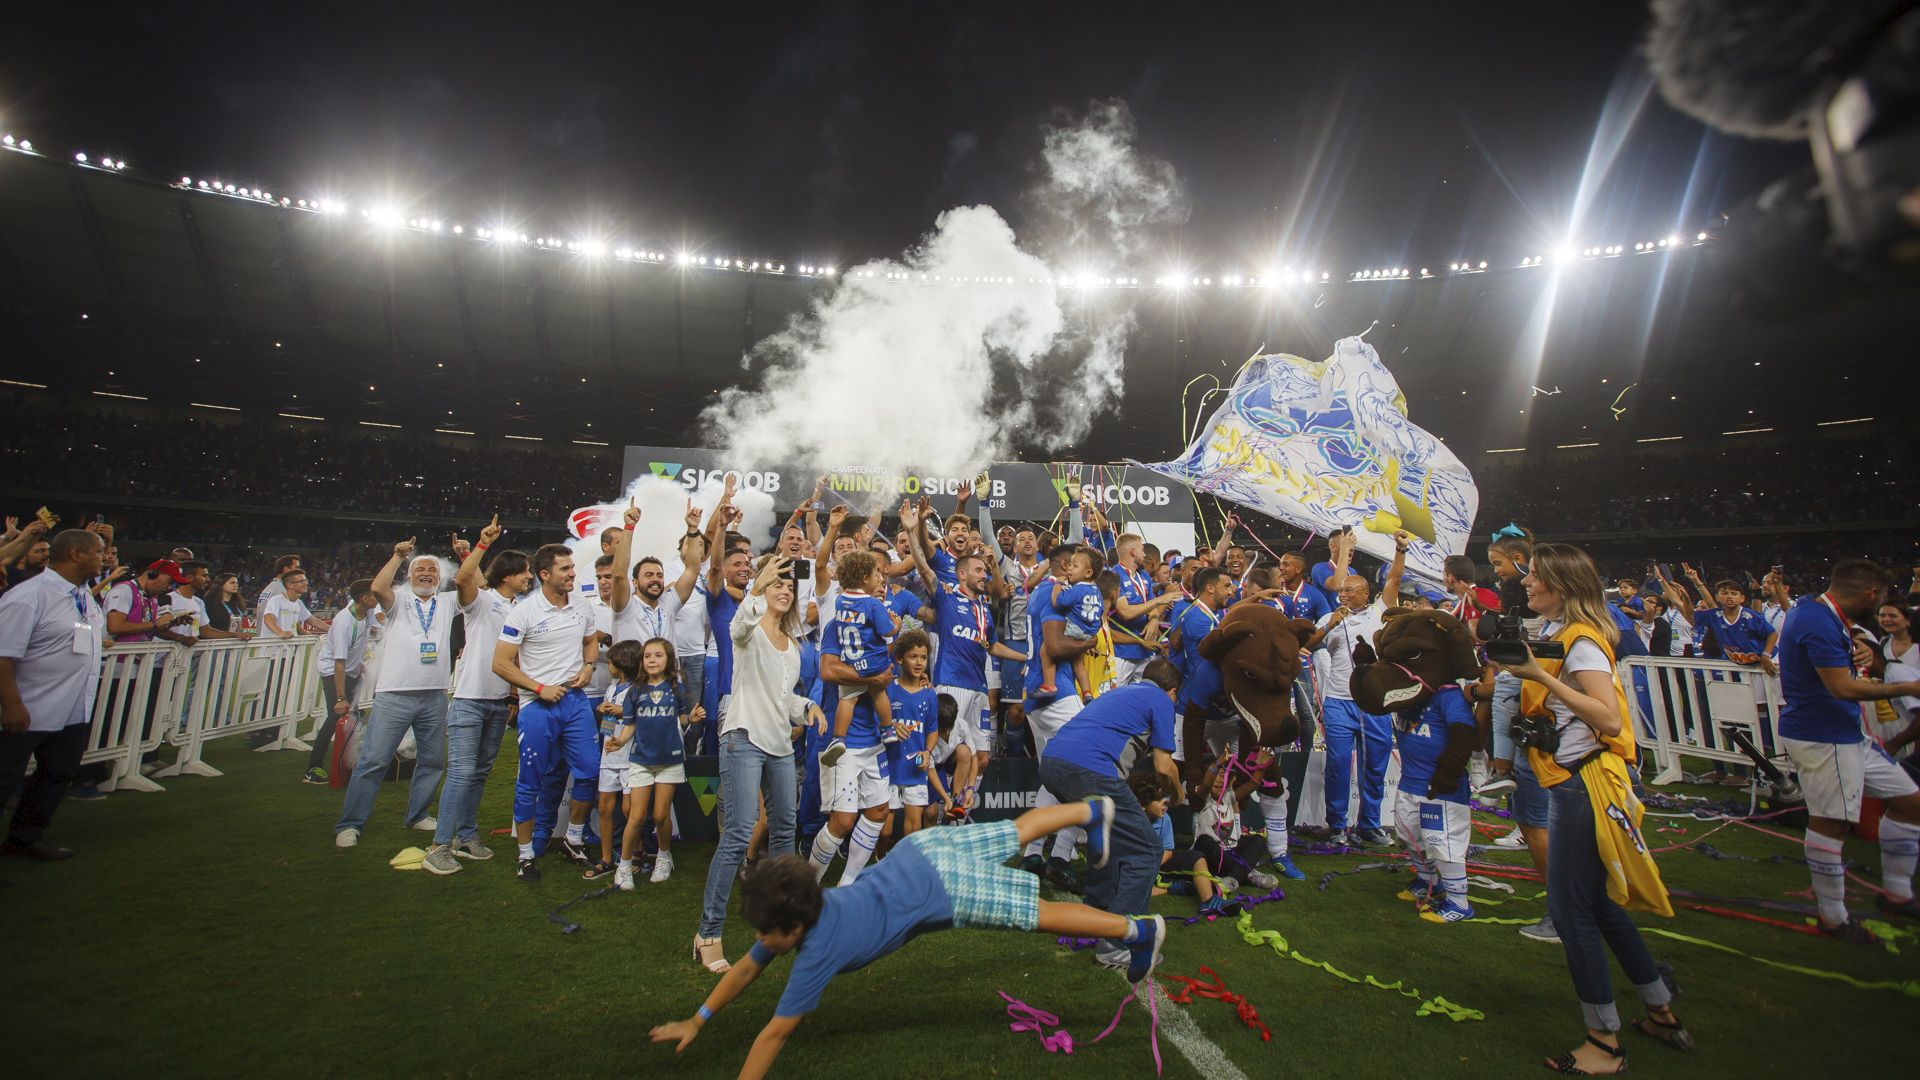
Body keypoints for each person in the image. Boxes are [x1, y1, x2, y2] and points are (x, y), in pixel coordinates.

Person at [648, 798, 1166, 1080]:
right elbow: (745, 967)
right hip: (921, 850)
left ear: (793, 929)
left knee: (1042, 914)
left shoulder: (815, 951)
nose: (761, 940)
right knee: (1015, 830)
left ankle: (1137, 930)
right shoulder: (803, 908)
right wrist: (699, 1019)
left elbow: (773, 1035)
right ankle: (1089, 810)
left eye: (766, 933)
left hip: (944, 889)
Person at [1492, 542, 1688, 1075]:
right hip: (1583, 779)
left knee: (1571, 911)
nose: (1526, 584)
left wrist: (1541, 677)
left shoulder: (1579, 642)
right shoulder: (1567, 635)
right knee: (1601, 906)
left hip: (1586, 783)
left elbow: (1607, 718)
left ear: (1562, 586)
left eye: (1535, 578)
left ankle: (1603, 1042)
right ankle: (1658, 1008)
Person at [1776, 559, 1920, 939]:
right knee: (1832, 822)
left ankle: (1898, 894)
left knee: (1909, 801)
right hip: (1824, 737)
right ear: (1871, 594)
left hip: (1847, 732)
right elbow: (1842, 688)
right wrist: (1908, 688)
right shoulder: (1818, 620)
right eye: (1881, 601)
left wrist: (1854, 650)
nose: (1880, 610)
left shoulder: (1815, 609)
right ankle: (1833, 917)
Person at [696, 553, 822, 974]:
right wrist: (756, 584)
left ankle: (780, 922)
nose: (785, 591)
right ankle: (708, 933)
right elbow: (736, 625)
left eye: (789, 587)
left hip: (780, 745)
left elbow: (785, 701)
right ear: (763, 590)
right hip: (743, 737)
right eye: (776, 585)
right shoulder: (746, 630)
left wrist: (807, 709)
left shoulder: (792, 647)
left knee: (785, 832)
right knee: (736, 835)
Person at [1034, 658, 1183, 973]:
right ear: (1172, 692)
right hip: (1090, 769)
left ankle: (1096, 917)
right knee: (1147, 850)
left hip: (1052, 764)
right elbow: (1162, 764)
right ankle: (1116, 945)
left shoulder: (1122, 693)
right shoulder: (1161, 700)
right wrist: (1179, 790)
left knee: (1113, 842)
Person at [901, 500, 1026, 818]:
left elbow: (994, 647)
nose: (985, 574)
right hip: (951, 687)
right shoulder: (945, 596)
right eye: (980, 570)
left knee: (980, 758)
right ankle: (932, 810)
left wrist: (1028, 657)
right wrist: (910, 530)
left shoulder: (984, 608)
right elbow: (923, 566)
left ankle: (960, 810)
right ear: (962, 574)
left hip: (980, 691)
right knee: (944, 754)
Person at [425, 519, 532, 871]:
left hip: (499, 702)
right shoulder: (480, 601)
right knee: (460, 772)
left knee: (480, 772)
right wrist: (481, 546)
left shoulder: (515, 609)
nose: (528, 578)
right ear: (508, 575)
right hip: (470, 700)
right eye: (524, 573)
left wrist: (513, 696)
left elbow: (513, 656)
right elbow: (462, 580)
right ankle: (438, 846)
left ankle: (466, 837)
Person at [334, 539, 454, 848]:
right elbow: (377, 588)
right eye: (419, 570)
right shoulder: (399, 600)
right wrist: (397, 557)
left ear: (439, 578)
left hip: (435, 695)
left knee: (433, 761)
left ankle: (417, 814)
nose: (426, 574)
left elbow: (472, 583)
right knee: (373, 760)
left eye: (432, 570)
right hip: (395, 694)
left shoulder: (447, 602)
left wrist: (470, 552)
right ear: (409, 576)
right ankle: (350, 824)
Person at [492, 543, 600, 880]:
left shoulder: (582, 606)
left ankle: (573, 838)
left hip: (573, 702)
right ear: (544, 575)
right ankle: (525, 856)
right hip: (537, 705)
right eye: (565, 569)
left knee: (588, 772)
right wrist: (539, 688)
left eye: (572, 568)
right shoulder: (523, 612)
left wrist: (589, 666)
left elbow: (590, 640)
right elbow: (499, 663)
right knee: (530, 782)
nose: (572, 574)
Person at [0, 529, 106, 861]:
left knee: (57, 773)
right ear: (76, 554)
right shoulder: (29, 596)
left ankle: (25, 837)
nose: (103, 559)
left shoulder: (84, 596)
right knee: (3, 780)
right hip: (28, 705)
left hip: (72, 707)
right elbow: (4, 654)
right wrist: (12, 704)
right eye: (99, 552)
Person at [1309, 530, 1406, 848]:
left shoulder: (1380, 612)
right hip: (1338, 701)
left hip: (1373, 703)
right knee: (1337, 765)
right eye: (1342, 592)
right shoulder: (1329, 617)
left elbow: (1393, 578)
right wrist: (1330, 625)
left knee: (1374, 766)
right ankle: (1337, 825)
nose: (1344, 595)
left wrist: (1400, 550)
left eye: (1351, 591)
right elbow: (1307, 646)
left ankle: (1370, 825)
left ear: (1366, 594)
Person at [1389, 678, 1479, 923]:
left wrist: (1449, 772)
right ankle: (1428, 880)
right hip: (1409, 780)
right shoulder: (1403, 691)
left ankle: (1459, 902)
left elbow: (1464, 731)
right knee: (1409, 834)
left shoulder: (1448, 694)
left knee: (1443, 843)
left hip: (1441, 786)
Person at [619, 637, 700, 889]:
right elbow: (630, 725)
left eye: (658, 655)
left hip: (670, 760)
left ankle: (664, 857)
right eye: (647, 656)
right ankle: (623, 866)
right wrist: (619, 743)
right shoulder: (634, 690)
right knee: (636, 815)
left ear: (668, 659)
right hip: (641, 760)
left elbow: (682, 719)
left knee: (660, 814)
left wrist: (692, 718)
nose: (652, 660)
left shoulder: (678, 689)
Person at [818, 550, 898, 767]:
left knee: (847, 700)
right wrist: (896, 625)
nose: (881, 580)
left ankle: (838, 738)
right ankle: (888, 728)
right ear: (865, 579)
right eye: (877, 574)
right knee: (879, 691)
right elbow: (887, 630)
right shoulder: (873, 606)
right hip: (873, 663)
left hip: (851, 661)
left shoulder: (839, 602)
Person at [305, 578, 378, 784]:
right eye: (375, 594)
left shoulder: (366, 610)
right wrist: (340, 697)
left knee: (354, 715)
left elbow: (366, 636)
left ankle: (350, 759)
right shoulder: (344, 623)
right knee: (335, 715)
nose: (378, 597)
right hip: (334, 670)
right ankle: (313, 768)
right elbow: (339, 663)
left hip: (352, 670)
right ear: (365, 598)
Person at [583, 640, 642, 882]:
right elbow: (609, 722)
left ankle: (635, 853)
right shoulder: (611, 688)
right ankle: (607, 858)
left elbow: (642, 720)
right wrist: (605, 719)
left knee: (629, 809)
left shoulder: (640, 689)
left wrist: (623, 712)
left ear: (623, 663)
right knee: (605, 807)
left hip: (630, 756)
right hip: (610, 755)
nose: (608, 666)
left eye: (611, 662)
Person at [884, 631, 944, 836]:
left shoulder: (929, 694)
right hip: (889, 766)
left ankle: (907, 867)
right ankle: (881, 862)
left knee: (914, 828)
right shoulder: (888, 689)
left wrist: (928, 751)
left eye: (924, 657)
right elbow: (876, 723)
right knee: (883, 831)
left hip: (915, 769)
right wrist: (890, 724)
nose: (919, 662)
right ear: (900, 658)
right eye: (913, 656)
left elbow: (932, 730)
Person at [1039, 548, 1103, 700]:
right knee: (1078, 661)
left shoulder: (1078, 588)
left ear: (1088, 573)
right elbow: (1101, 614)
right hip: (1090, 632)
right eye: (1069, 565)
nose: (1069, 569)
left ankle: (1049, 685)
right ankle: (1087, 692)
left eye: (1074, 566)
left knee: (1046, 650)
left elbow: (1057, 602)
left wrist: (1057, 585)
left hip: (1075, 629)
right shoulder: (1096, 590)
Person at [261, 569, 322, 639]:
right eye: (301, 581)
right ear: (290, 585)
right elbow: (268, 619)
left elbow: (313, 620)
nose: (306, 583)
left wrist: (332, 629)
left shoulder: (299, 603)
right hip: (273, 648)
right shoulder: (276, 600)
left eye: (306, 580)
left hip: (289, 647)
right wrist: (282, 633)